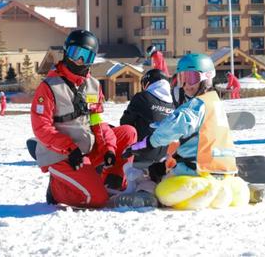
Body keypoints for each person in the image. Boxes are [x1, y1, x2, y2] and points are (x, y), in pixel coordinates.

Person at [123, 53, 249, 210]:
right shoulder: (216, 103)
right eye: (182, 79)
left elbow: (171, 129)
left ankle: (206, 190)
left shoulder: (195, 105)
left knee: (163, 190)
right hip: (224, 171)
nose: (186, 85)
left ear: (207, 77)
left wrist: (146, 143)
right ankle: (233, 190)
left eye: (191, 78)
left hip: (197, 172)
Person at [31, 29, 137, 208]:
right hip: (63, 155)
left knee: (128, 132)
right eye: (75, 53)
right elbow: (41, 128)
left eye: (85, 56)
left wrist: (109, 148)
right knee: (97, 200)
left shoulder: (93, 86)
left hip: (85, 149)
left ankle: (111, 181)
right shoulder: (49, 87)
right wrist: (69, 148)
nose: (79, 61)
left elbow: (96, 121)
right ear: (66, 52)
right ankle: (57, 189)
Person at [120, 69, 174, 192]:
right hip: (163, 158)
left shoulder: (142, 97)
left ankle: (117, 177)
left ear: (148, 83)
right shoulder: (173, 103)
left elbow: (125, 123)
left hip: (141, 153)